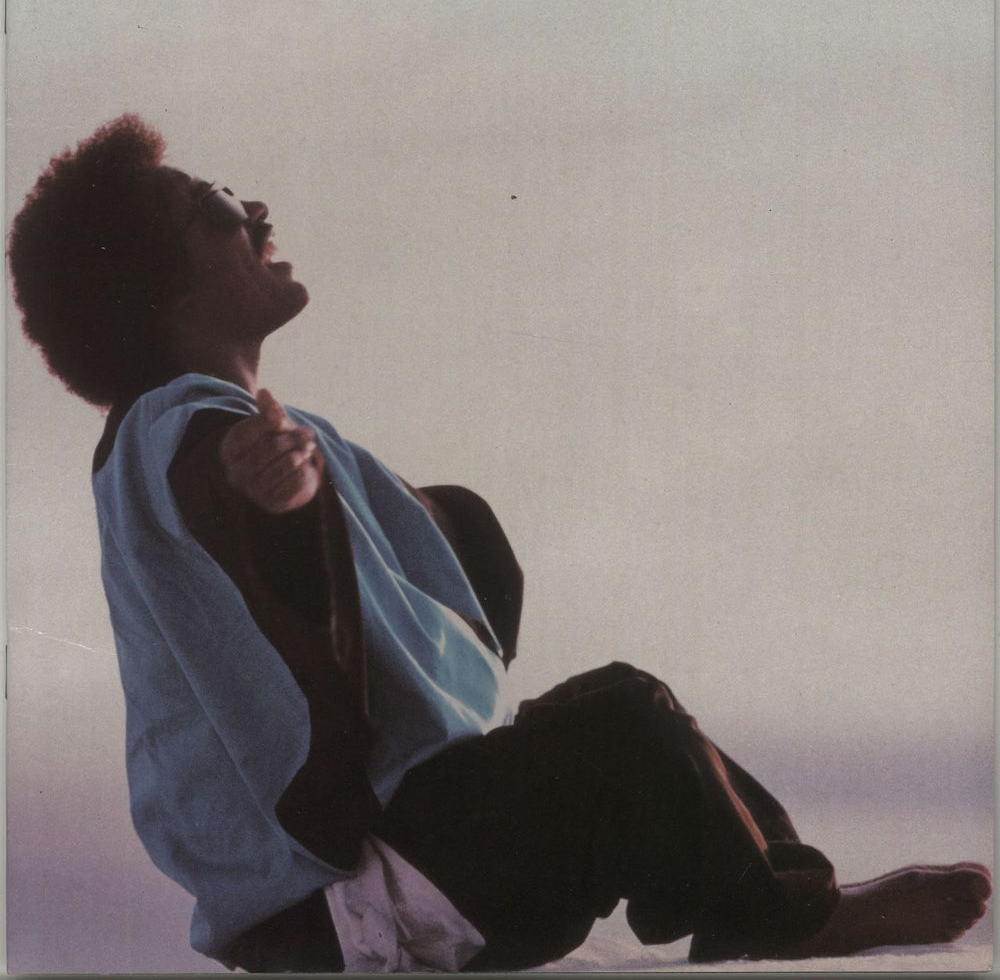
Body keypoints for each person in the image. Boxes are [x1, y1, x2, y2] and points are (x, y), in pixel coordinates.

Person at [8, 115, 991, 973]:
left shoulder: (187, 437)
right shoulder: (189, 433)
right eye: (215, 204)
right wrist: (284, 498)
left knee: (623, 705)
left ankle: (783, 886)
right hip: (360, 901)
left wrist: (405, 514)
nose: (253, 208)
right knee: (626, 723)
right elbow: (244, 511)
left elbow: (399, 556)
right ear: (163, 291)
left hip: (346, 898)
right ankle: (787, 922)